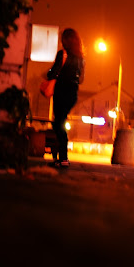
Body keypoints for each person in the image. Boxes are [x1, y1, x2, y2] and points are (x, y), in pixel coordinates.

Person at [47, 28, 85, 167]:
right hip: (72, 94)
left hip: (61, 92)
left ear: (66, 40)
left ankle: (63, 158)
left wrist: (48, 75)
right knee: (60, 122)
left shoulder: (62, 54)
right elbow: (81, 79)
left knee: (58, 124)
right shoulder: (81, 58)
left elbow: (53, 72)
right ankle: (61, 158)